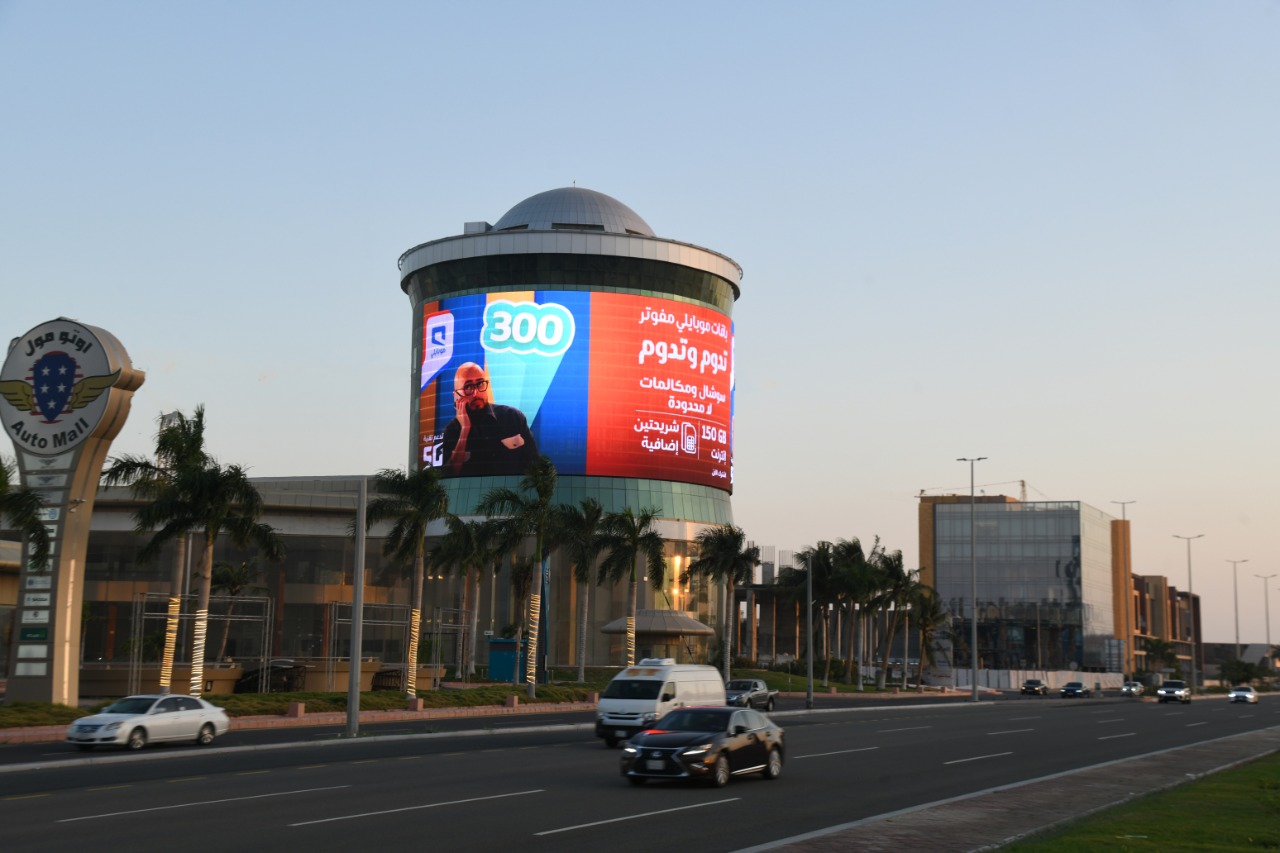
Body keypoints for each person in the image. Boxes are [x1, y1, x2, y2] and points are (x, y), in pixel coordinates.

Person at [440, 362, 539, 476]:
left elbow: (536, 467)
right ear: (456, 395)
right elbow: (448, 477)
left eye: (480, 383)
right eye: (468, 386)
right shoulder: (451, 431)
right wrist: (464, 431)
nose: (476, 393)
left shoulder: (513, 417)